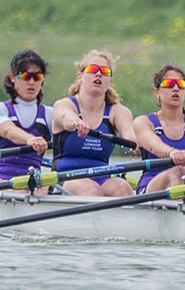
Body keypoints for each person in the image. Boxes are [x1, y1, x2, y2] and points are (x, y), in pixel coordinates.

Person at [52, 50, 136, 197]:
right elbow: (66, 118)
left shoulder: (118, 112)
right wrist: (76, 123)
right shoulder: (64, 104)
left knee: (123, 188)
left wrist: (135, 142)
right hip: (64, 177)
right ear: (80, 77)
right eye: (92, 69)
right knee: (91, 190)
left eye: (104, 71)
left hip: (102, 176)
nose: (98, 74)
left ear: (109, 81)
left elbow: (129, 132)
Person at [0, 50, 53, 191]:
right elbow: (8, 130)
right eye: (26, 76)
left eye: (37, 76)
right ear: (12, 77)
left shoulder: (49, 114)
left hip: (33, 182)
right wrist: (30, 140)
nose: (32, 82)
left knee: (48, 186)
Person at [134, 65, 185, 193]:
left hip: (184, 185)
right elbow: (154, 145)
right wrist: (171, 152)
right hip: (151, 188)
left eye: (180, 84)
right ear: (157, 92)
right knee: (179, 171)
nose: (176, 88)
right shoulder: (144, 122)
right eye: (169, 84)